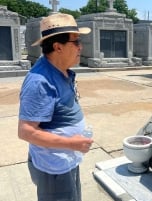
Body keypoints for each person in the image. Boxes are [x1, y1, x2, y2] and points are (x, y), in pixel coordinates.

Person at [18, 13, 93, 201]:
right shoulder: (39, 82)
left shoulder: (62, 71)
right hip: (54, 167)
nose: (80, 47)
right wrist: (72, 143)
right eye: (75, 42)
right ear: (58, 47)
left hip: (67, 159)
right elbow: (26, 131)